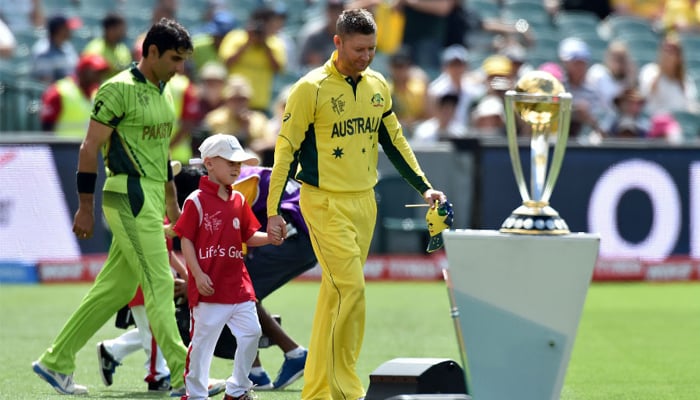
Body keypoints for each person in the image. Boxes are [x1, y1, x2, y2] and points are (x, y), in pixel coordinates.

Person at [265, 8, 447, 400]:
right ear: (338, 42)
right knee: (352, 291)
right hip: (324, 203)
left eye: (372, 49)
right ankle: (348, 390)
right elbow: (286, 150)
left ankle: (315, 392)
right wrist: (273, 210)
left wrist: (425, 188)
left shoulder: (378, 84)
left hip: (365, 201)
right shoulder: (310, 88)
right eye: (359, 48)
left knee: (334, 296)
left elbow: (395, 142)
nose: (366, 56)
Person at [31, 18, 194, 397]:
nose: (179, 68)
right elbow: (89, 148)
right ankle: (187, 375)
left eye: (183, 60)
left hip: (152, 196)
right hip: (128, 194)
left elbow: (162, 151)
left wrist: (172, 202)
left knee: (115, 288)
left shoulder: (163, 90)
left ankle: (56, 362)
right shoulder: (116, 89)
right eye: (174, 58)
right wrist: (84, 207)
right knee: (159, 283)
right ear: (150, 52)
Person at [173, 162, 316, 390]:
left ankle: (286, 357)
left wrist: (196, 278)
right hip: (305, 234)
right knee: (243, 292)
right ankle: (263, 367)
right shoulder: (236, 176)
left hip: (294, 235)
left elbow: (230, 250)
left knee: (238, 291)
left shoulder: (231, 190)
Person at [173, 134, 271, 400]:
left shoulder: (239, 200)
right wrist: (198, 274)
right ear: (209, 163)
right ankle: (195, 395)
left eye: (239, 163)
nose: (236, 167)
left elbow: (249, 236)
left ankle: (237, 389)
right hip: (209, 288)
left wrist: (271, 237)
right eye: (230, 161)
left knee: (252, 333)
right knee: (202, 347)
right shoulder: (195, 200)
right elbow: (186, 240)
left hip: (238, 286)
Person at [219, 5, 287, 113]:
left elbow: (277, 69)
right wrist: (247, 43)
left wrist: (265, 45)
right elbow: (227, 63)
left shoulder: (275, 43)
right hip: (233, 101)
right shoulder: (235, 37)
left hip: (259, 105)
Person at [40, 54, 110, 137]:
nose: (99, 77)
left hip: (87, 147)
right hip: (63, 147)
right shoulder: (59, 91)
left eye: (101, 73)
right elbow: (47, 127)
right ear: (83, 71)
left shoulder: (98, 92)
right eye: (96, 72)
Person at [30, 14, 81, 84]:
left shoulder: (68, 46)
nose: (71, 30)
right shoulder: (43, 52)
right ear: (60, 30)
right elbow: (45, 84)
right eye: (68, 28)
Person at [82, 12, 132, 78]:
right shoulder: (94, 49)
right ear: (110, 29)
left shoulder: (124, 50)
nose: (124, 33)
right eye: (121, 29)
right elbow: (87, 77)